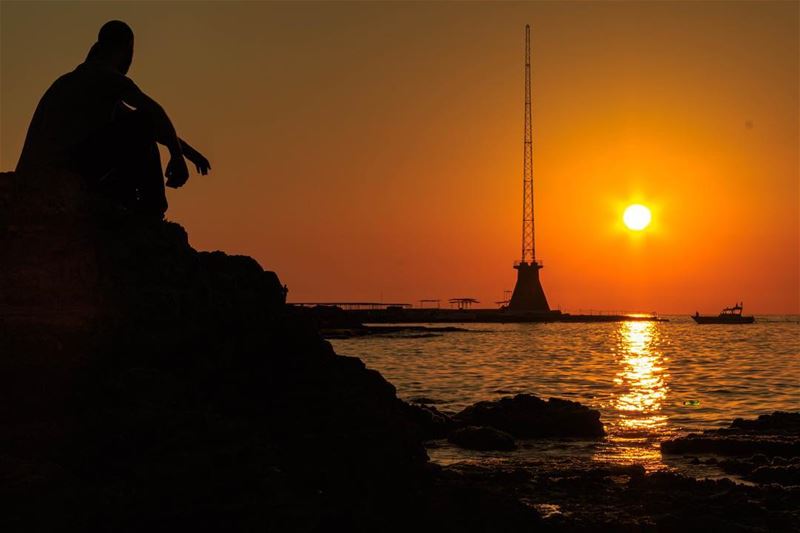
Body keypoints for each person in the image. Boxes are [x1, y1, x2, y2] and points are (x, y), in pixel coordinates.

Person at [16, 20, 210, 216]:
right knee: (142, 123)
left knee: (138, 125)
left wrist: (188, 152)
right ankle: (152, 210)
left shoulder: (75, 81)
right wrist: (176, 156)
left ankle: (130, 204)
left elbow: (146, 124)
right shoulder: (106, 76)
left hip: (38, 174)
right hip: (63, 172)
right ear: (126, 49)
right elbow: (151, 114)